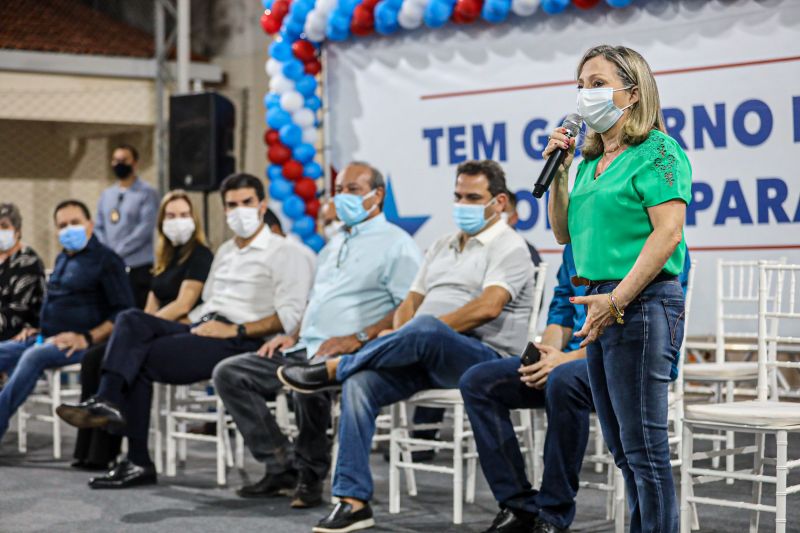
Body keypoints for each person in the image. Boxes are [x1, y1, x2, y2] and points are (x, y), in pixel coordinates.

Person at [279, 160, 535, 533]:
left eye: (473, 197)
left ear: (498, 202)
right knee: (361, 384)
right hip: (423, 353)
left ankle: (334, 368)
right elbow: (409, 303)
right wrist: (403, 336)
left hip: (483, 357)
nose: (462, 204)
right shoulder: (441, 245)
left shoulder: (509, 246)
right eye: (458, 196)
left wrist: (417, 333)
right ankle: (352, 501)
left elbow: (488, 306)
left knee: (425, 328)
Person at [57, 173, 314, 489]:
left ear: (261, 206)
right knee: (132, 321)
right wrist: (178, 328)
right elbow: (207, 304)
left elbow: (289, 317)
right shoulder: (226, 252)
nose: (239, 211)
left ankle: (135, 456)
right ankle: (110, 407)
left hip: (243, 339)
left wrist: (233, 329)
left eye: (246, 203)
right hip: (206, 325)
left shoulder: (285, 252)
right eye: (231, 205)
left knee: (135, 359)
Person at [212, 162, 422, 508]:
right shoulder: (335, 243)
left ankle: (310, 474)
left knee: (307, 377)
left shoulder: (397, 245)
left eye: (352, 190)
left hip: (354, 351)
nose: (342, 198)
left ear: (377, 196)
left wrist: (358, 336)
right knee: (230, 373)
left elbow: (407, 307)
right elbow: (316, 300)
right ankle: (281, 465)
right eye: (338, 191)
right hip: (307, 345)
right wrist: (291, 335)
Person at [546, 45, 691, 533]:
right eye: (582, 83)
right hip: (599, 302)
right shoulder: (588, 161)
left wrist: (618, 299)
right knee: (623, 451)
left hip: (642, 301)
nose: (586, 93)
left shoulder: (658, 151)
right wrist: (560, 173)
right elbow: (563, 233)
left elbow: (667, 233)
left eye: (597, 82)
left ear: (631, 92)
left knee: (646, 449)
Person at [460, 247, 692, 533]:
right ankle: (517, 504)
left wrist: (562, 362)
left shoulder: (655, 245)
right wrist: (548, 355)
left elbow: (649, 328)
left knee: (564, 381)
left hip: (624, 360)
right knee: (479, 381)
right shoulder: (575, 244)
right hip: (566, 363)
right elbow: (560, 311)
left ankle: (553, 513)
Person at [71, 190, 214, 470]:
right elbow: (150, 307)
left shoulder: (200, 254)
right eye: (171, 216)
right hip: (159, 326)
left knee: (130, 321)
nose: (177, 221)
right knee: (94, 358)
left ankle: (107, 401)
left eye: (184, 215)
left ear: (194, 220)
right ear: (161, 223)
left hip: (185, 329)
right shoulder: (163, 260)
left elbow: (183, 303)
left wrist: (143, 327)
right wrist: (141, 326)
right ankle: (96, 451)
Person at [0, 200, 134, 440]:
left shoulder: (107, 260)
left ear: (90, 225)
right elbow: (56, 304)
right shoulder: (64, 259)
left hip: (83, 344)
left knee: (33, 357)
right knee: (4, 351)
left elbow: (123, 313)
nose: (68, 229)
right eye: (62, 225)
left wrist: (86, 337)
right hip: (45, 337)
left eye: (75, 223)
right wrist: (36, 328)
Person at [94, 144, 160, 309]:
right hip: (111, 266)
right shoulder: (107, 194)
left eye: (124, 160)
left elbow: (145, 228)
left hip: (138, 267)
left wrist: (118, 251)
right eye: (115, 160)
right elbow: (99, 225)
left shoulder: (147, 193)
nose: (119, 164)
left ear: (135, 163)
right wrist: (106, 251)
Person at [0, 203, 46, 342]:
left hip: (21, 333)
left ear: (17, 231)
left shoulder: (28, 261)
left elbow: (19, 309)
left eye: (4, 226)